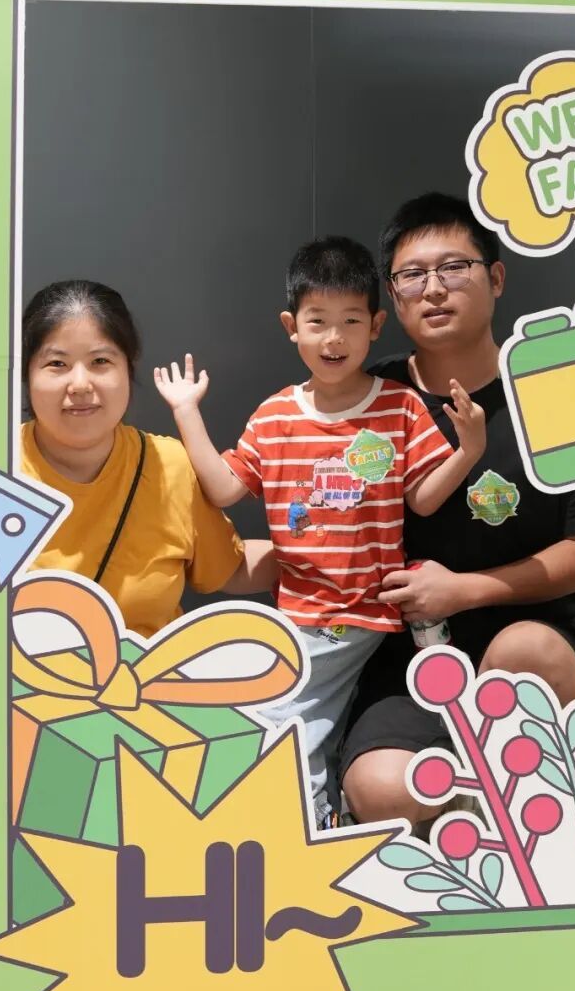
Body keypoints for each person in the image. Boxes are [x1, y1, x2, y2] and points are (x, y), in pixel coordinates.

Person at [154, 235, 486, 825]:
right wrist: (186, 413)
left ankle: (305, 825)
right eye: (318, 322)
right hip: (296, 610)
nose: (334, 338)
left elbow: (423, 498)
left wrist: (468, 450)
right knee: (277, 714)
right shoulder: (276, 414)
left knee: (288, 719)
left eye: (350, 321)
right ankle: (315, 820)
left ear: (375, 325)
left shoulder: (399, 407)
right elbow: (226, 488)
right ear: (292, 327)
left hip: (356, 610)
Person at [338, 193, 575, 827]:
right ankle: (478, 813)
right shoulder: (367, 398)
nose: (433, 289)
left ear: (496, 278)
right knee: (382, 789)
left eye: (454, 268)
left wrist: (464, 591)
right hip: (408, 659)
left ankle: (546, 818)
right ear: (392, 298)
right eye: (412, 275)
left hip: (534, 631)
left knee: (526, 654)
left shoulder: (552, 395)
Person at [19, 278, 273, 626]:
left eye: (100, 361)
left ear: (129, 366)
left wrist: (332, 554)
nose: (79, 384)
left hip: (148, 665)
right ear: (26, 372)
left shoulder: (169, 466)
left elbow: (230, 567)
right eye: (57, 364)